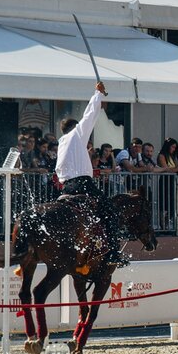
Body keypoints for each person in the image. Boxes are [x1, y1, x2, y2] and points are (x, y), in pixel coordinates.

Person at [54, 83, 127, 267]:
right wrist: (98, 94)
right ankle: (112, 252)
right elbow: (90, 114)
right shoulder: (77, 134)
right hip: (82, 184)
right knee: (109, 211)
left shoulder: (62, 142)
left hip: (66, 186)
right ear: (75, 127)